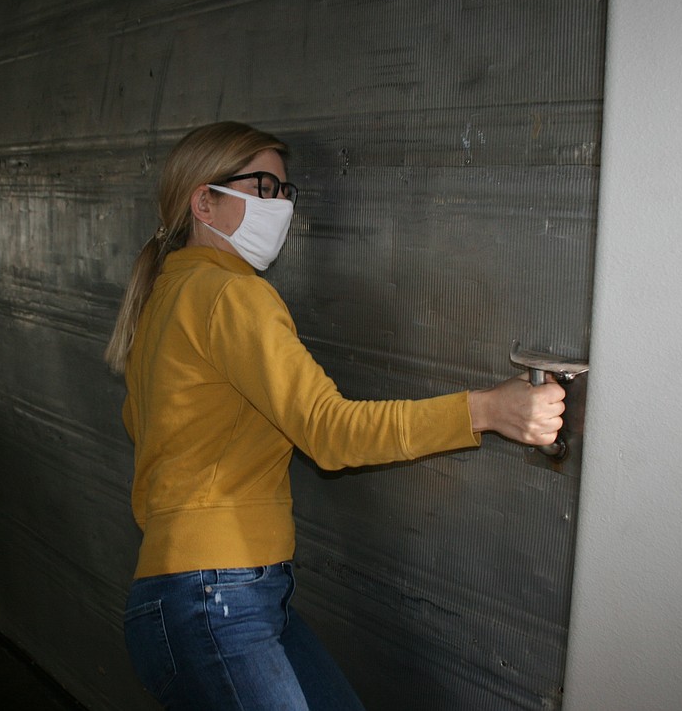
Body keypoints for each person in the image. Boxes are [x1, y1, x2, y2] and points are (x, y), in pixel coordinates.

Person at [105, 121, 565, 710]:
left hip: (211, 598)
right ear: (205, 201)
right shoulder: (229, 295)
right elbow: (329, 431)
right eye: (264, 187)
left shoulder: (169, 298)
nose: (280, 206)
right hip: (215, 598)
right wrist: (487, 410)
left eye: (285, 192)